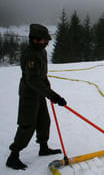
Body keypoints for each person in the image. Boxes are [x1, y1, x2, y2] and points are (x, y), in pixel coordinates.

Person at [6, 24, 67, 170]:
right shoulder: (30, 55)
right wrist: (54, 96)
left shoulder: (41, 52)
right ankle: (13, 156)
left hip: (40, 92)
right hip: (29, 93)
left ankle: (43, 147)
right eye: (43, 40)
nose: (46, 43)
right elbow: (32, 80)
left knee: (43, 120)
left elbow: (42, 76)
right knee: (27, 124)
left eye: (47, 40)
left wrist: (49, 91)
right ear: (34, 40)